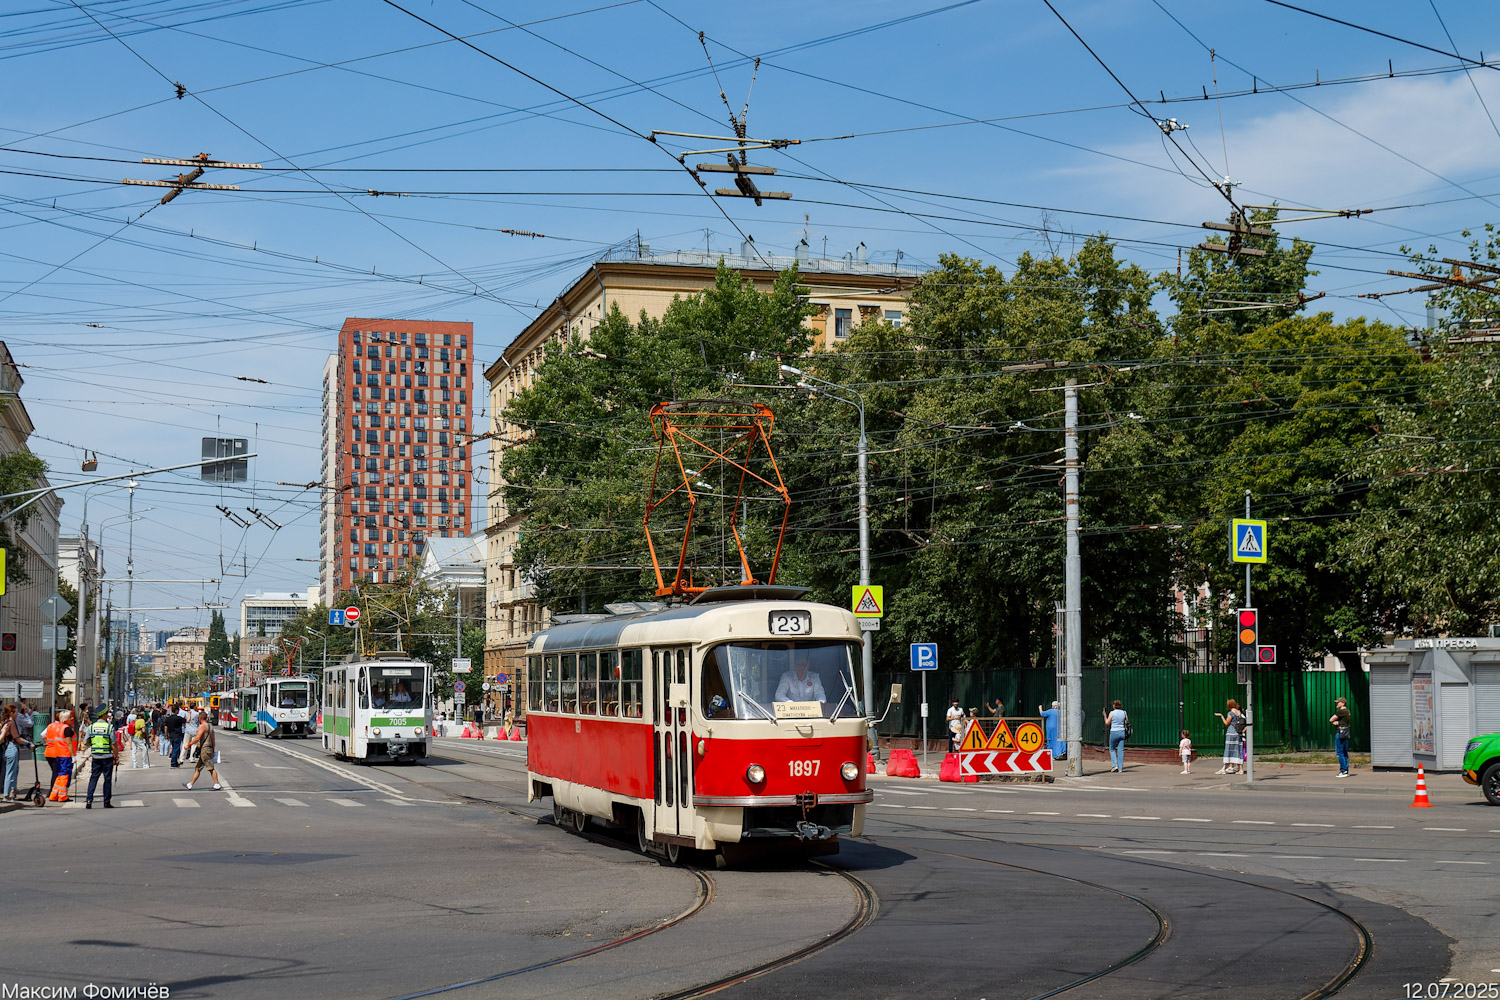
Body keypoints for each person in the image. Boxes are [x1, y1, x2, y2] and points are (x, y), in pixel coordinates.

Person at [84, 708, 117, 809]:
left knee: (94, 778)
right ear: (103, 715)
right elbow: (114, 744)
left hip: (95, 756)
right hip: (107, 756)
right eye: (107, 714)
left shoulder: (91, 727)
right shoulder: (109, 727)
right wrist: (116, 756)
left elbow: (86, 742)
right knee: (107, 779)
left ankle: (89, 800)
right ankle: (106, 802)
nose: (108, 715)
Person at [2, 704, 36, 799]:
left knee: (14, 770)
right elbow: (17, 738)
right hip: (12, 748)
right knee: (11, 771)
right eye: (16, 712)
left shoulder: (5, 722)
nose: (17, 714)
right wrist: (28, 743)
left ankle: (12, 790)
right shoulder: (11, 723)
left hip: (9, 747)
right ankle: (6, 794)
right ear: (11, 713)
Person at [43, 709, 77, 801]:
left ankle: (53, 795)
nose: (72, 718)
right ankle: (62, 796)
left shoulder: (59, 727)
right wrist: (73, 756)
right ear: (65, 718)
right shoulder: (67, 729)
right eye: (70, 717)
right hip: (66, 755)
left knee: (60, 775)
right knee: (65, 775)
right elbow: (69, 743)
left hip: (59, 754)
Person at [182, 712, 221, 791]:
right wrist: (213, 750)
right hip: (209, 748)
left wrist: (188, 745)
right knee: (198, 768)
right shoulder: (210, 727)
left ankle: (217, 784)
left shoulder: (202, 726)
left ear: (200, 718)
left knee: (210, 768)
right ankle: (190, 785)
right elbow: (213, 740)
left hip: (205, 750)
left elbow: (197, 738)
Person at [1215, 700, 1246, 775]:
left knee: (1229, 750)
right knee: (1237, 751)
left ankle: (1224, 769)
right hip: (1238, 733)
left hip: (1231, 733)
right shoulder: (1239, 712)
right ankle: (1240, 769)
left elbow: (1226, 723)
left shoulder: (1230, 713)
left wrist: (1221, 716)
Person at [1329, 696, 1352, 777]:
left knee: (1339, 752)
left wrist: (1336, 722)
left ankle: (1343, 770)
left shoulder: (1341, 712)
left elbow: (1331, 719)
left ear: (1343, 703)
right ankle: (1346, 770)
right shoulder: (1348, 711)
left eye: (1338, 702)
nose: (1336, 704)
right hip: (1346, 733)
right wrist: (1339, 722)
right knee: (1345, 752)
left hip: (1340, 732)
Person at [1103, 700, 1128, 772]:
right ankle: (1120, 768)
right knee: (1121, 750)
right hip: (1122, 732)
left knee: (1112, 748)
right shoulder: (1124, 712)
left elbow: (1107, 723)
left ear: (1114, 705)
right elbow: (1126, 722)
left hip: (1114, 732)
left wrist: (1105, 716)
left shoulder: (1112, 713)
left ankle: (1115, 765)